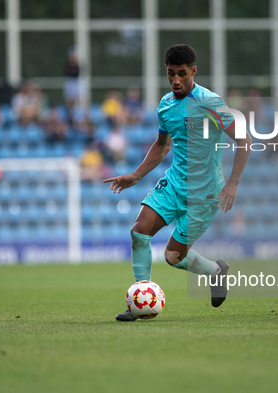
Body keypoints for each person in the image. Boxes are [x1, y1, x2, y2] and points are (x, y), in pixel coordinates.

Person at [104, 44, 251, 321]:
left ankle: (216, 272)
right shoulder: (166, 106)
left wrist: (233, 184)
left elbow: (244, 140)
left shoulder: (211, 103)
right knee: (139, 232)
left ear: (194, 71)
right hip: (173, 185)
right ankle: (139, 300)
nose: (175, 80)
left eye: (182, 74)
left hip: (205, 194)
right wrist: (135, 175)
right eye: (171, 74)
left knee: (172, 257)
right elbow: (161, 147)